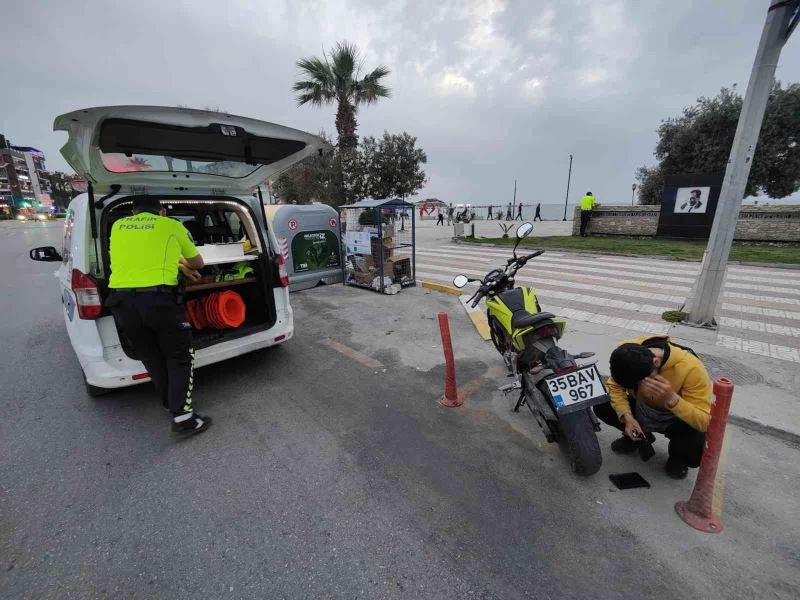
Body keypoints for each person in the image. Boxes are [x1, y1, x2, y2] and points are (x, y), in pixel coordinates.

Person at [106, 196, 212, 436]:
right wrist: (184, 263)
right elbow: (199, 262)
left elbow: (137, 256)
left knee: (152, 357)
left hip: (122, 303)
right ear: (162, 211)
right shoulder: (171, 225)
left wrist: (176, 261)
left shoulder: (117, 226)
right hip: (158, 302)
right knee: (180, 356)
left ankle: (170, 403)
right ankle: (184, 418)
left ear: (133, 211)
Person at [593, 336, 712, 479]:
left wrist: (673, 400)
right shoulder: (628, 352)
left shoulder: (692, 368)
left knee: (694, 450)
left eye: (639, 382)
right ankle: (639, 437)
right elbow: (615, 387)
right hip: (640, 408)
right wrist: (627, 417)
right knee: (602, 404)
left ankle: (678, 458)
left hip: (674, 419)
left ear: (655, 362)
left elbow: (705, 421)